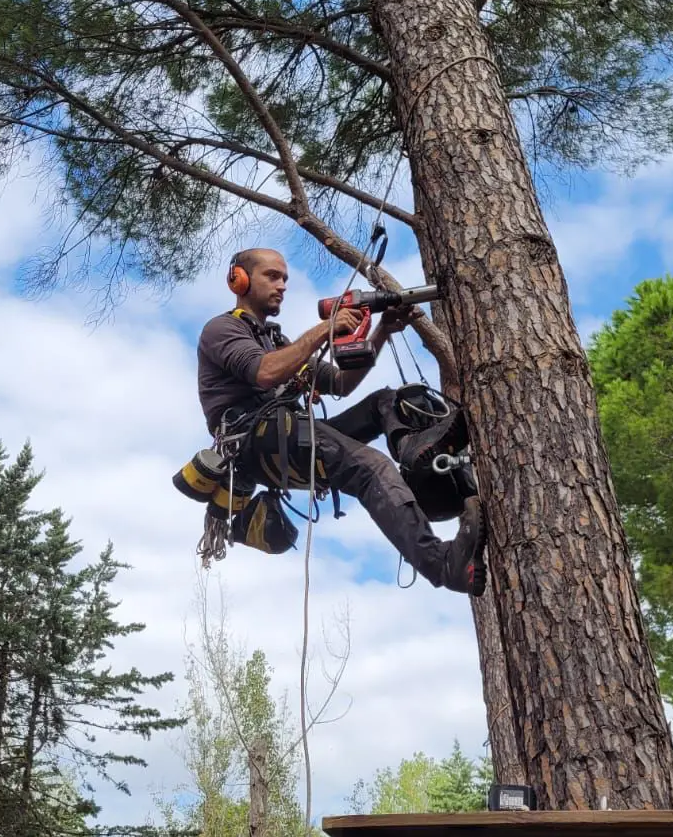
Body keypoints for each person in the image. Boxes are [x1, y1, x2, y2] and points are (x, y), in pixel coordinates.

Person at [197, 248, 487, 596]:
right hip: (257, 443)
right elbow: (265, 372)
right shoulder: (222, 329)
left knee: (387, 402)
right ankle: (441, 565)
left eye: (285, 278)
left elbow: (340, 383)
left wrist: (382, 330)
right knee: (371, 467)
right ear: (239, 280)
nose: (282, 285)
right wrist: (325, 329)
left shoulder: (276, 341)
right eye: (272, 276)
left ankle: (424, 461)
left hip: (292, 434)